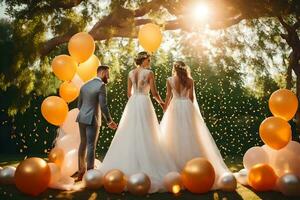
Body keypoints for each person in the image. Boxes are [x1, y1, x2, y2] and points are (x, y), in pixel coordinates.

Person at [100, 52, 177, 193]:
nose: (149, 62)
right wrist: (162, 104)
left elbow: (128, 93)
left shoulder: (130, 73)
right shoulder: (149, 73)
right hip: (144, 102)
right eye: (148, 60)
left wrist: (134, 100)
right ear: (143, 60)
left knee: (130, 133)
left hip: (133, 103)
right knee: (148, 133)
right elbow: (154, 93)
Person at [160, 61, 231, 188]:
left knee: (173, 135)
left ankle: (174, 167)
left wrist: (165, 108)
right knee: (191, 134)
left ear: (174, 69)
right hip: (187, 106)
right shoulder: (190, 80)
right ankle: (194, 167)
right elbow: (191, 97)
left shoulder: (170, 80)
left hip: (175, 107)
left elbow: (168, 96)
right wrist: (190, 109)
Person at [76, 65, 117, 181]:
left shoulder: (85, 86)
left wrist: (84, 113)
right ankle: (90, 173)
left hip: (81, 118)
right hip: (92, 119)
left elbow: (79, 105)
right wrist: (109, 121)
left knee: (82, 144)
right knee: (91, 145)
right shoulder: (101, 86)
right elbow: (103, 106)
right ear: (103, 72)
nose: (108, 76)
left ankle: (80, 171)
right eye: (108, 74)